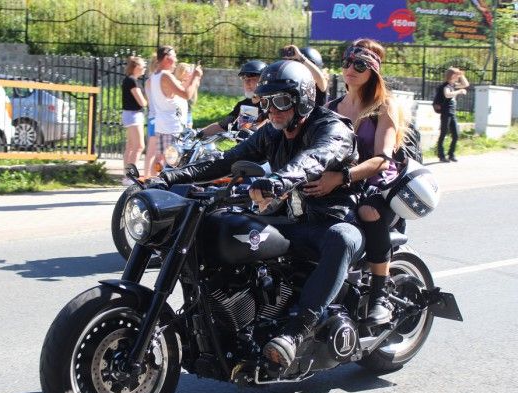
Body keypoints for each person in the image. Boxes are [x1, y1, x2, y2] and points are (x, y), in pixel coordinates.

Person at [160, 60, 362, 369]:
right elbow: (225, 162)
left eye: (281, 100)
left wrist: (278, 180)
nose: (272, 110)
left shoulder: (331, 127)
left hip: (331, 220)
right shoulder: (271, 133)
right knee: (229, 228)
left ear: (303, 99)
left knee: (341, 238)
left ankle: (297, 331)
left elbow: (314, 158)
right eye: (266, 102)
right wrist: (169, 177)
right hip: (291, 220)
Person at [305, 38, 407, 325]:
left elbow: (382, 160)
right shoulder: (332, 107)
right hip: (339, 186)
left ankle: (379, 296)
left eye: (360, 65)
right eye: (347, 62)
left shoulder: (383, 106)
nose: (350, 69)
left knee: (367, 211)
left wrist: (341, 177)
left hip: (376, 185)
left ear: (373, 71)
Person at [147, 45, 203, 176]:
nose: (176, 60)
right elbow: (186, 94)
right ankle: (167, 185)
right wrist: (196, 77)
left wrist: (191, 79)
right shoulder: (166, 76)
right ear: (167, 58)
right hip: (172, 127)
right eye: (174, 56)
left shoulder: (155, 76)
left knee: (159, 159)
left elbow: (178, 91)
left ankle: (152, 183)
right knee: (174, 161)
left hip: (162, 125)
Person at [197, 59, 268, 137]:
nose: (247, 83)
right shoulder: (245, 104)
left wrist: (255, 129)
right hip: (245, 145)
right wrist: (197, 133)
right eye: (244, 79)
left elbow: (270, 121)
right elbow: (222, 126)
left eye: (252, 79)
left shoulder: (271, 103)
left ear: (263, 81)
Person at [121, 56, 148, 186]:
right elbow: (141, 102)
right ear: (136, 67)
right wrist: (147, 101)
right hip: (134, 115)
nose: (144, 69)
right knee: (139, 146)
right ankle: (130, 177)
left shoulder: (128, 80)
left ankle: (126, 176)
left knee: (130, 146)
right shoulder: (132, 81)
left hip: (129, 115)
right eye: (143, 66)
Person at [437, 67, 468, 163]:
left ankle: (451, 154)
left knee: (455, 135)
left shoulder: (453, 85)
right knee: (443, 134)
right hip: (446, 113)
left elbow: (466, 84)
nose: (458, 77)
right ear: (452, 76)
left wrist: (461, 75)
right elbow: (447, 94)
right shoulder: (445, 86)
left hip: (452, 113)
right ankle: (441, 155)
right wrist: (459, 91)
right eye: (456, 75)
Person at [144, 55, 159, 177]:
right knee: (153, 151)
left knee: (154, 152)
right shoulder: (155, 80)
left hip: (153, 117)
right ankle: (148, 176)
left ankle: (150, 175)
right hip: (156, 118)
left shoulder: (150, 80)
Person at [173, 62, 198, 128]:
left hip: (188, 112)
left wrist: (194, 85)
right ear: (181, 72)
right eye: (188, 71)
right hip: (178, 114)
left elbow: (193, 101)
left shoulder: (189, 83)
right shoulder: (176, 83)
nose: (190, 74)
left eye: (190, 72)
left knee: (188, 133)